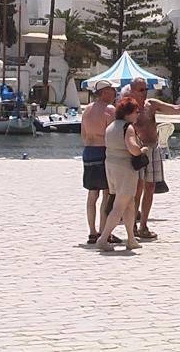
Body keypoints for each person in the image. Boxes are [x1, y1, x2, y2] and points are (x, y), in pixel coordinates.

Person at [127, 77, 180, 240]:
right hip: (137, 151)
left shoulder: (151, 104)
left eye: (146, 89)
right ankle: (132, 226)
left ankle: (143, 225)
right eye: (141, 90)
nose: (145, 93)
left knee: (150, 188)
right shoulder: (127, 106)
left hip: (153, 148)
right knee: (136, 190)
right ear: (132, 90)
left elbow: (175, 108)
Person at [98, 97, 146, 252]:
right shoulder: (128, 127)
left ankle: (131, 239)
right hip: (125, 169)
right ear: (128, 114)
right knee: (119, 205)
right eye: (136, 112)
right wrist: (143, 151)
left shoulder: (111, 126)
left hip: (110, 167)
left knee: (129, 204)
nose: (138, 114)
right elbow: (133, 149)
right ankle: (103, 238)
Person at [80, 80, 118, 245]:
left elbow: (83, 134)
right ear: (104, 92)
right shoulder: (110, 110)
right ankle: (104, 232)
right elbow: (113, 135)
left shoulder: (87, 109)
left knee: (91, 195)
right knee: (107, 193)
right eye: (111, 91)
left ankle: (92, 232)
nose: (114, 93)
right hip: (103, 152)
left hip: (88, 151)